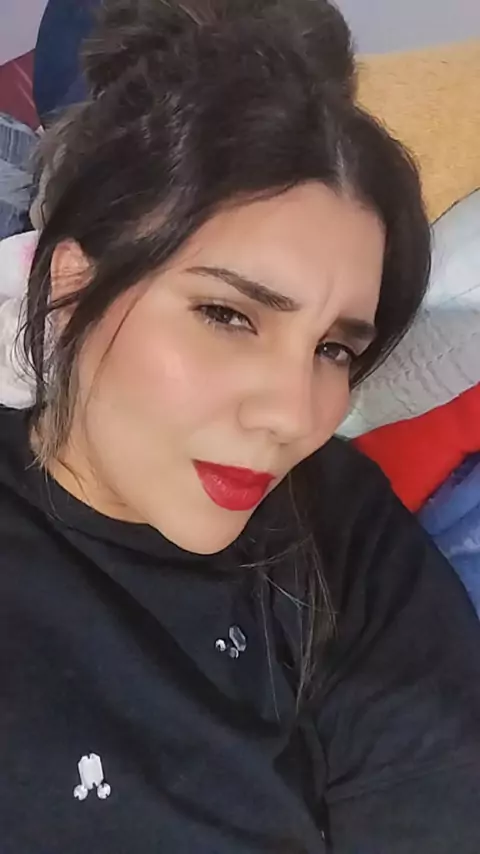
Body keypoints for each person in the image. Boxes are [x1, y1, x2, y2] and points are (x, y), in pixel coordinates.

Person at [1, 1, 479, 852]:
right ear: (70, 289)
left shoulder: (339, 529)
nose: (296, 416)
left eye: (334, 348)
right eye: (227, 315)